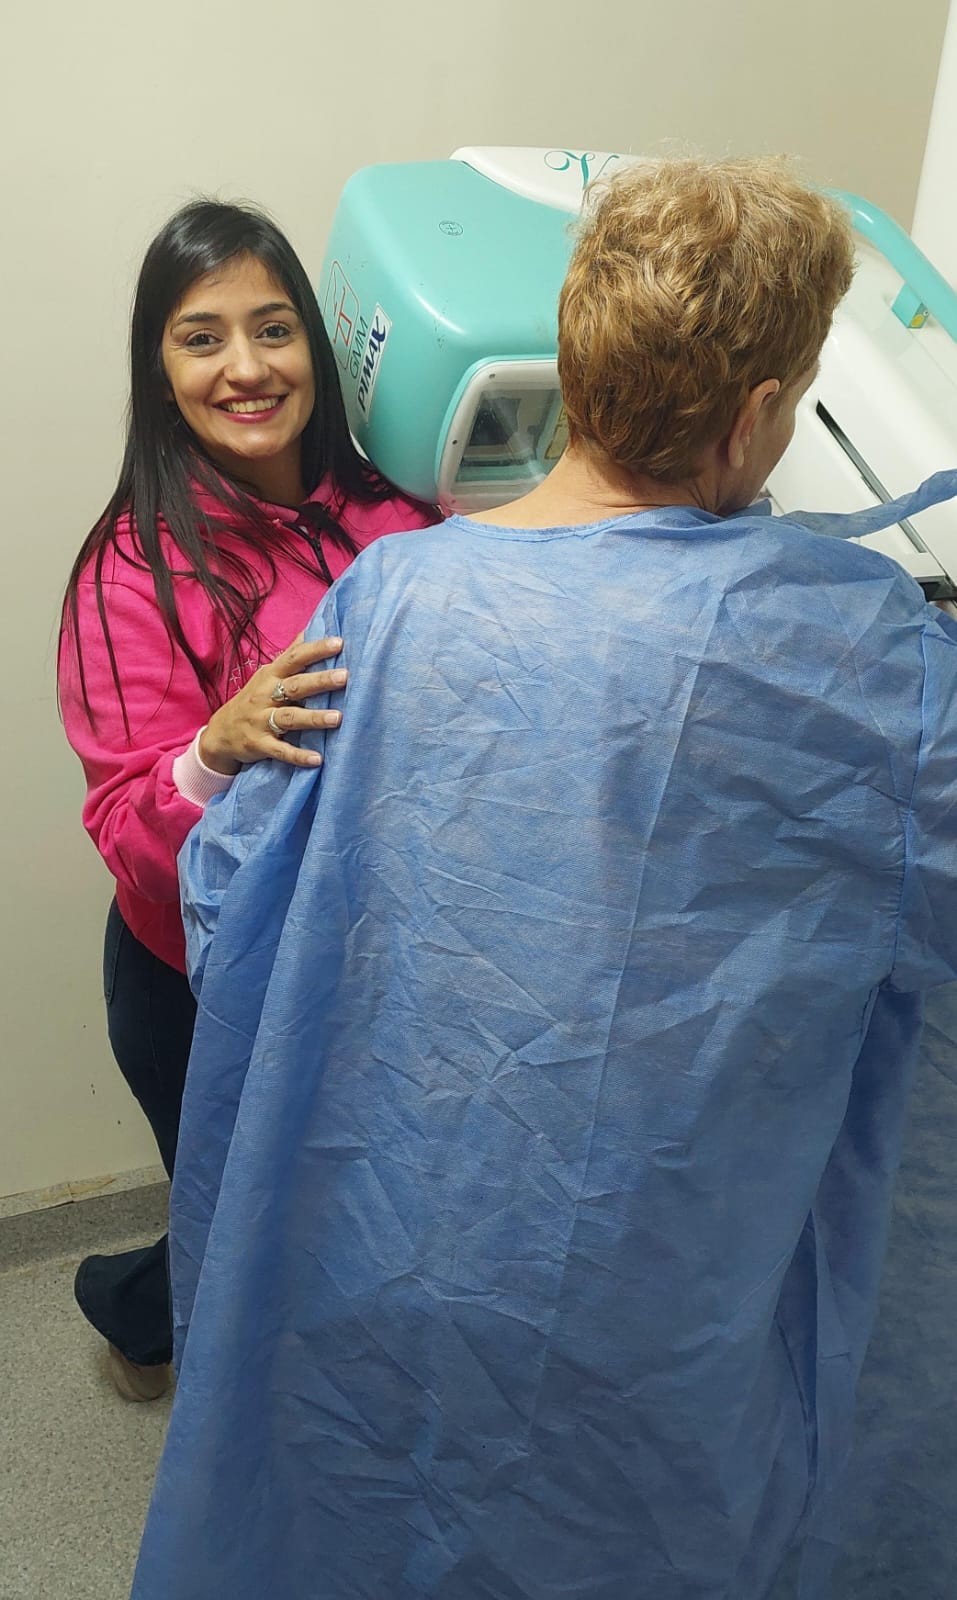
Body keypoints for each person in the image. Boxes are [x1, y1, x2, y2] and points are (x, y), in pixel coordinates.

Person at [132, 159, 957, 1599]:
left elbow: (227, 904)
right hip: (666, 1283)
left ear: (571, 360)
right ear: (758, 415)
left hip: (397, 1236)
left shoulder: (388, 597)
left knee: (397, 1512)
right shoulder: (865, 649)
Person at [58, 199, 436, 1401]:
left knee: (325, 1201)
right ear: (159, 369)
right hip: (197, 983)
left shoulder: (401, 510)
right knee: (237, 1217)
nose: (247, 367)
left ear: (317, 348)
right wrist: (215, 749)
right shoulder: (129, 571)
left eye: (273, 330)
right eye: (202, 338)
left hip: (360, 954)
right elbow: (128, 830)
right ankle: (146, 1324)